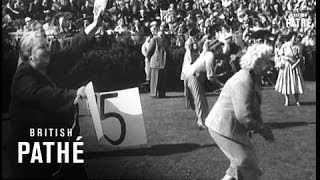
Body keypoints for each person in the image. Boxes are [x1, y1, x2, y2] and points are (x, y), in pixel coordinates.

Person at [7, 7, 103, 179]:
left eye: (48, 44)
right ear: (30, 55)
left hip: (60, 146)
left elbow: (73, 47)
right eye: (42, 47)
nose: (48, 48)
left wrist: (94, 26)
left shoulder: (50, 64)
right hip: (32, 152)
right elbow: (44, 95)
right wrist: (75, 94)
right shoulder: (23, 76)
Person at [205, 43, 275, 180]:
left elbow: (254, 109)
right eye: (267, 61)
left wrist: (261, 125)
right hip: (223, 128)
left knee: (239, 165)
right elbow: (243, 115)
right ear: (257, 61)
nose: (270, 65)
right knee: (247, 163)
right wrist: (261, 129)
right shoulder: (243, 80)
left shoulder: (253, 78)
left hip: (232, 128)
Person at [184, 39, 224, 130]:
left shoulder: (207, 54)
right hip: (193, 76)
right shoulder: (210, 56)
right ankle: (201, 122)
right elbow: (210, 76)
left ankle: (205, 120)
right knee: (199, 99)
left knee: (202, 99)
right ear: (216, 48)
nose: (221, 50)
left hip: (196, 76)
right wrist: (221, 84)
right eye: (220, 48)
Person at [274, 31, 304, 106]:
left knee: (296, 83)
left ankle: (297, 100)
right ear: (291, 38)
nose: (296, 39)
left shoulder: (297, 47)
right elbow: (280, 55)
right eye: (294, 37)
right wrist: (287, 59)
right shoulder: (285, 46)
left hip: (295, 67)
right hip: (286, 66)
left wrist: (295, 64)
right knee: (286, 83)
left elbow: (300, 58)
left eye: (296, 37)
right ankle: (287, 100)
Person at [146, 21, 170, 98]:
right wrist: (150, 59)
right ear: (158, 31)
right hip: (156, 62)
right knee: (155, 79)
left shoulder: (165, 39)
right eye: (161, 32)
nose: (162, 33)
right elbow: (149, 51)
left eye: (163, 31)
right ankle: (153, 94)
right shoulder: (154, 39)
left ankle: (162, 94)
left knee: (163, 80)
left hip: (164, 62)